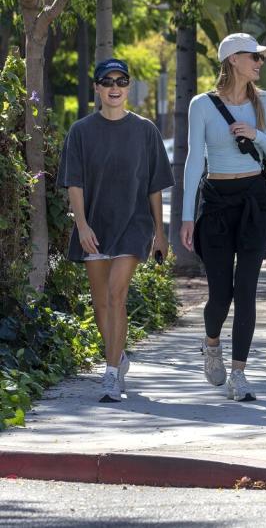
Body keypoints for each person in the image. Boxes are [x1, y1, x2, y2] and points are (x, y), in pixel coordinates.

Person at [58, 58, 173, 403]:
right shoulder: (80, 131)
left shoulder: (146, 130)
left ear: (128, 87)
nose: (114, 87)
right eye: (107, 81)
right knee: (100, 303)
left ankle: (110, 375)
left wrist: (160, 232)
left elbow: (154, 187)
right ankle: (118, 355)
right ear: (96, 87)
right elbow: (74, 183)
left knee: (115, 295)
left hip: (133, 226)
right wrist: (81, 225)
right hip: (95, 225)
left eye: (121, 81)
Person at [180, 32, 266, 402]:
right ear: (232, 61)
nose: (259, 62)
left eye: (261, 57)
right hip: (216, 202)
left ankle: (239, 374)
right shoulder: (202, 105)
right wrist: (186, 216)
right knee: (220, 294)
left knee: (246, 290)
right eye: (253, 57)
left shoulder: (265, 101)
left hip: (254, 200)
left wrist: (256, 134)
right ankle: (212, 346)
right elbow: (195, 160)